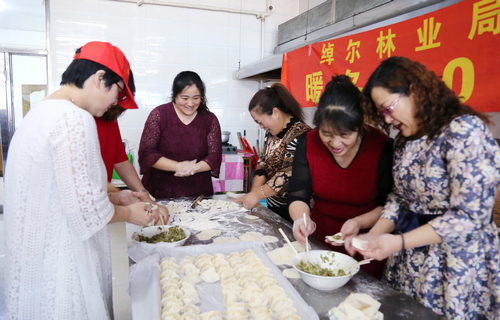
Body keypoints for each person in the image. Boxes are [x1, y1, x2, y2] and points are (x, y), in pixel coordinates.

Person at [4, 41, 163, 319]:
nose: (116, 102)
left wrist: (116, 197)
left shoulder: (39, 113)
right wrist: (130, 213)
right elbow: (87, 213)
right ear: (100, 78)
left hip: (34, 262)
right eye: (117, 92)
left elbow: (60, 191)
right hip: (64, 261)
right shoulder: (74, 119)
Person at [349, 56, 500, 318]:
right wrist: (374, 235)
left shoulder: (463, 131)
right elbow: (399, 198)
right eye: (382, 113)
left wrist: (398, 242)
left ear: (415, 91)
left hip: (456, 262)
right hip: (410, 261)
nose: (388, 118)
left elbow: (471, 216)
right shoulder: (405, 140)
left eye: (388, 108)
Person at [287, 75, 393, 278]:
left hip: (365, 247)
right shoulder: (309, 142)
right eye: (326, 133)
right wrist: (301, 220)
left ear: (361, 124)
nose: (335, 143)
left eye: (345, 135)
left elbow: (390, 206)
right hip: (319, 245)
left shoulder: (381, 146)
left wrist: (360, 222)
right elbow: (298, 194)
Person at [95, 70, 169, 220]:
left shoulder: (109, 118)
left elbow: (121, 161)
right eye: (117, 96)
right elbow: (88, 181)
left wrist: (144, 196)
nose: (115, 104)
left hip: (102, 202)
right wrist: (122, 203)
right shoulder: (78, 122)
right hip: (92, 206)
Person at [139, 71, 222, 199]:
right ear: (175, 96)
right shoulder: (159, 115)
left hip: (198, 192)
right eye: (184, 98)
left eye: (196, 98)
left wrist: (194, 168)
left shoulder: (209, 120)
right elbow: (147, 154)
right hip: (160, 190)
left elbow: (215, 156)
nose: (190, 103)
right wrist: (178, 166)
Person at [235, 83, 311, 222]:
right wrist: (252, 194)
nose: (261, 127)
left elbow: (285, 176)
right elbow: (262, 166)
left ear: (275, 112)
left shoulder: (300, 134)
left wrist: (256, 196)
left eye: (260, 121)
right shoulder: (271, 135)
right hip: (274, 208)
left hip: (296, 212)